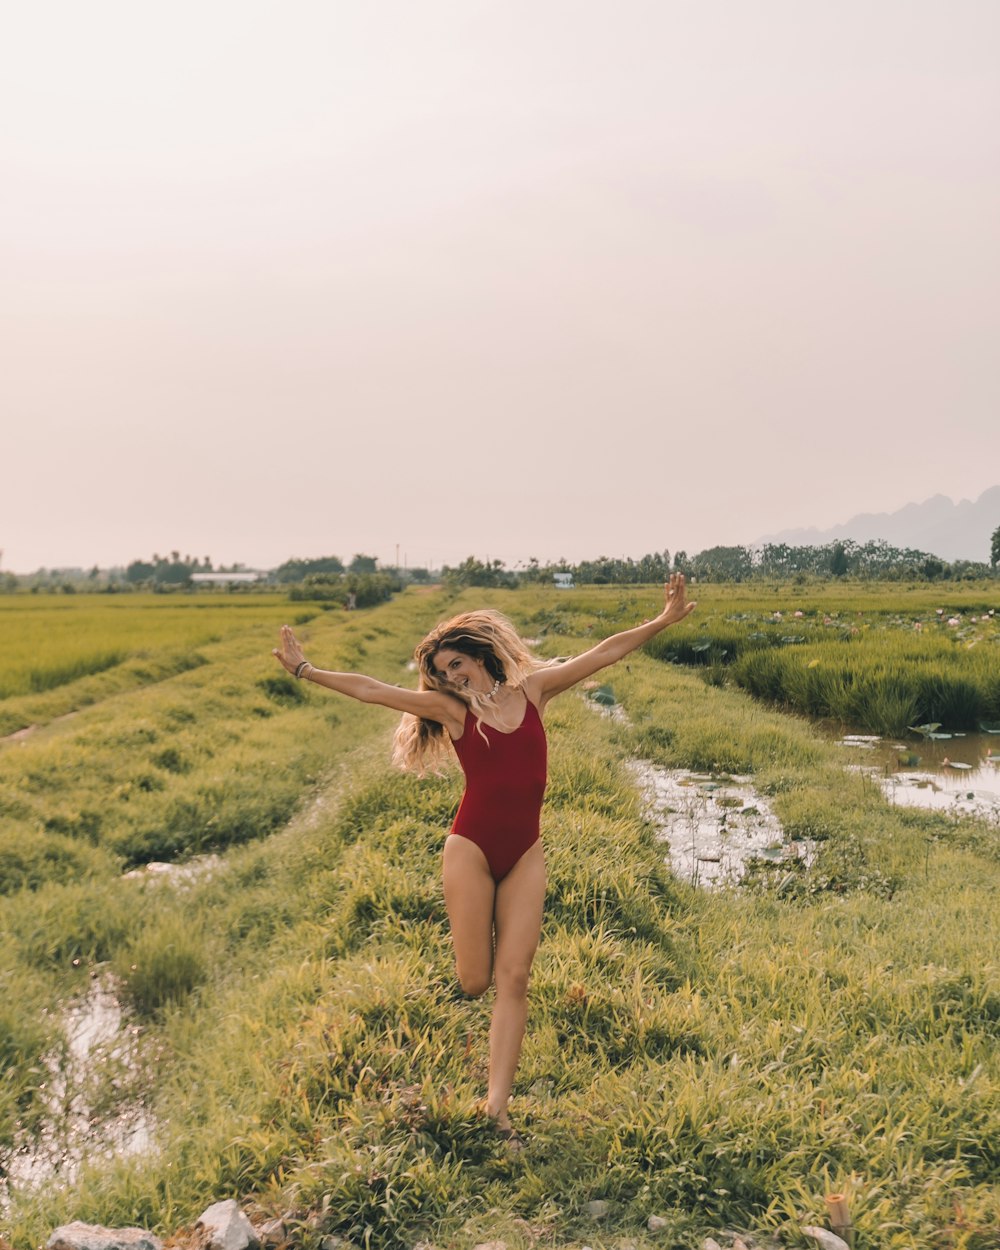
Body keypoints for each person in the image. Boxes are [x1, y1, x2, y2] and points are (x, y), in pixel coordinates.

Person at [272, 574, 695, 1146]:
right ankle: (462, 1014)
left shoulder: (535, 691)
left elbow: (604, 652)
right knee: (474, 982)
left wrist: (663, 620)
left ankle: (497, 1107)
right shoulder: (451, 712)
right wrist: (305, 670)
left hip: (525, 853)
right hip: (469, 850)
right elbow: (373, 690)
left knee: (513, 977)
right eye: (442, 673)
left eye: (456, 666)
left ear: (480, 656)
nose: (451, 677)